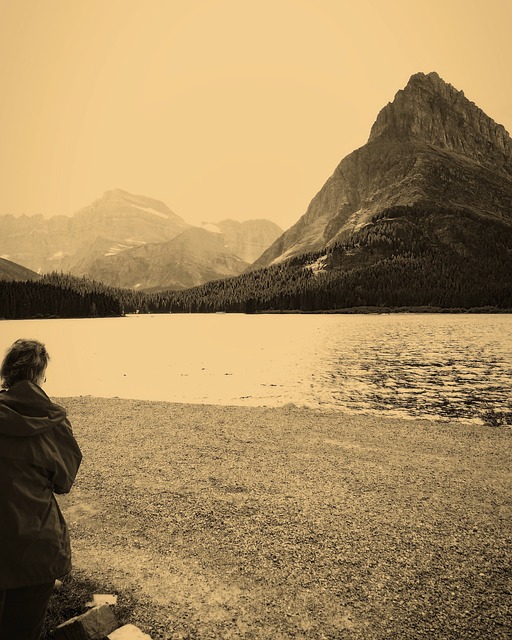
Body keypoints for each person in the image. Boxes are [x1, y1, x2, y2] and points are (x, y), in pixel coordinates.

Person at [0, 339, 82, 640]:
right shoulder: (54, 423)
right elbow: (64, 482)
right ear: (40, 375)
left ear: (7, 374)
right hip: (37, 548)